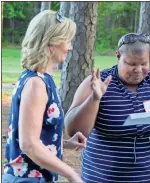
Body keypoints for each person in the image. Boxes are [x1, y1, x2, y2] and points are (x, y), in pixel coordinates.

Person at [64, 33, 150, 183]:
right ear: (118, 56)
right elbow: (74, 130)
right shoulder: (98, 81)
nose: (138, 70)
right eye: (132, 64)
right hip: (101, 178)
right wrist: (94, 98)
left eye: (144, 64)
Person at [2, 10, 86, 183]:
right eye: (66, 41)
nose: (69, 47)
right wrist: (71, 174)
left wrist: (64, 143)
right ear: (50, 44)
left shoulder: (42, 79)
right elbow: (29, 144)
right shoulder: (35, 84)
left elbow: (33, 135)